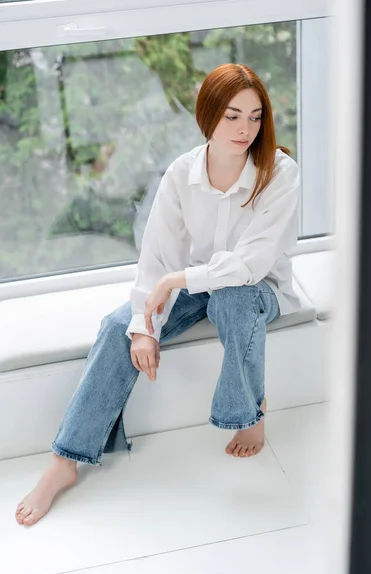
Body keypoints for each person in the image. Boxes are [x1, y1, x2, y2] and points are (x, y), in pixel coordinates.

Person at [15, 63, 301, 527]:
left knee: (231, 297)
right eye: (232, 116)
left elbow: (253, 262)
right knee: (118, 327)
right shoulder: (182, 173)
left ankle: (250, 411)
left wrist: (176, 281)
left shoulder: (279, 171)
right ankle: (64, 462)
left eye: (254, 116)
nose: (245, 128)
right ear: (207, 115)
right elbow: (158, 259)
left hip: (258, 288)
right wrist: (144, 328)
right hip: (193, 282)